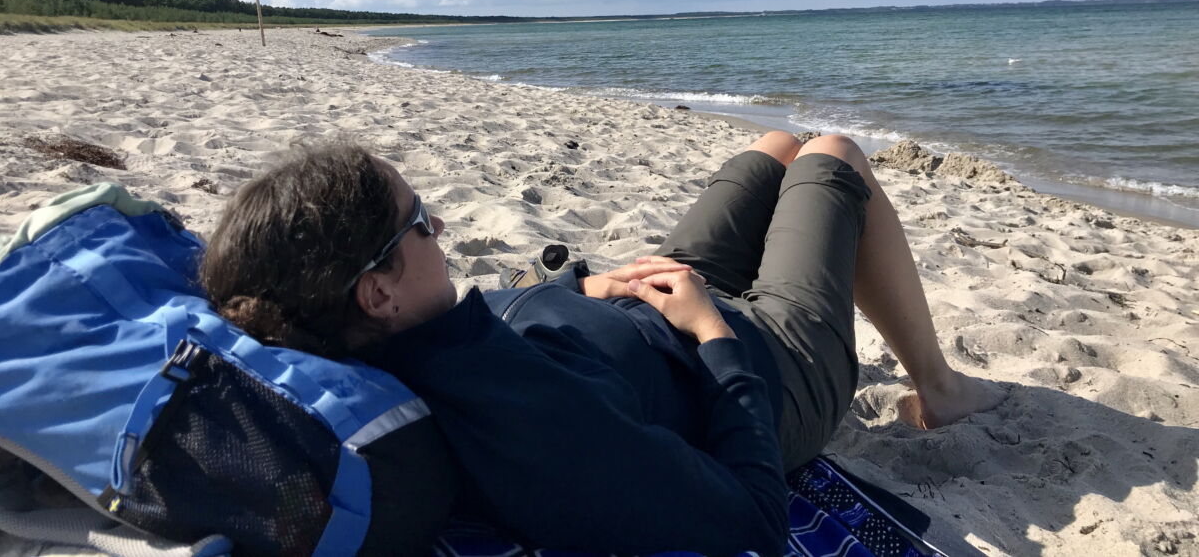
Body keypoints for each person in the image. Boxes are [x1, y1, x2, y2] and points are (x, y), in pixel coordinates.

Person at [199, 132, 1003, 557]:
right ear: (377, 291)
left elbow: (494, 323)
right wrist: (714, 332)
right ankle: (937, 385)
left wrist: (580, 285)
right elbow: (751, 519)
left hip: (644, 307)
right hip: (766, 360)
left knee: (775, 147)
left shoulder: (400, 339)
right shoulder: (532, 422)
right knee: (835, 157)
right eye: (421, 224)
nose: (440, 229)